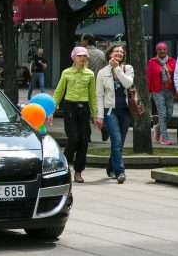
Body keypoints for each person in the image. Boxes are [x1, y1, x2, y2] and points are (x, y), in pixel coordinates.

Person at [51, 46, 96, 183]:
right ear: (74, 57)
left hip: (84, 107)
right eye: (79, 56)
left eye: (84, 56)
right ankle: (62, 166)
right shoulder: (66, 73)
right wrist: (51, 110)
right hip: (70, 106)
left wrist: (95, 115)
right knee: (73, 138)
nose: (82, 58)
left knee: (84, 140)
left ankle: (78, 171)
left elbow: (92, 96)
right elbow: (58, 92)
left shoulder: (90, 74)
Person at [95, 45, 134, 184]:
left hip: (125, 111)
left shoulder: (127, 68)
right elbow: (99, 95)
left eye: (121, 52)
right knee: (116, 141)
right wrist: (99, 116)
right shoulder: (102, 72)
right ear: (110, 54)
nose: (119, 53)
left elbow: (128, 84)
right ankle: (120, 172)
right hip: (110, 111)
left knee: (120, 143)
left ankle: (110, 167)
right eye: (116, 51)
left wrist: (117, 68)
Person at [148, 42, 177, 145]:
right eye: (160, 49)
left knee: (169, 113)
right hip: (157, 91)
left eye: (164, 49)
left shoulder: (172, 61)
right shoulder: (152, 62)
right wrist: (148, 91)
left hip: (169, 90)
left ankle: (158, 127)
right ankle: (165, 138)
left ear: (166, 50)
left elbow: (176, 75)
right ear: (157, 51)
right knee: (163, 114)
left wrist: (177, 89)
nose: (162, 51)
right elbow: (149, 77)